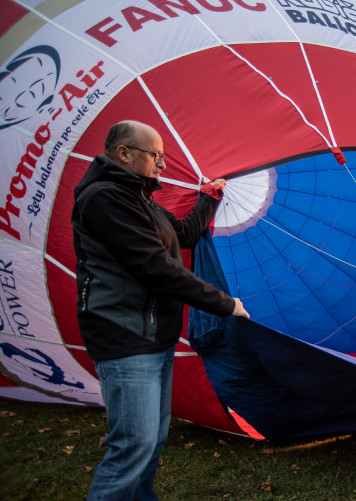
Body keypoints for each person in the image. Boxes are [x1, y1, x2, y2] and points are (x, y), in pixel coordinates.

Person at [72, 120, 250, 501]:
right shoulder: (104, 198)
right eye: (156, 156)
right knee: (132, 444)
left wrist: (209, 199)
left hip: (153, 334)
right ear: (124, 154)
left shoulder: (141, 199)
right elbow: (154, 266)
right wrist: (225, 304)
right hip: (124, 336)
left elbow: (183, 235)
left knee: (153, 438)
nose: (163, 166)